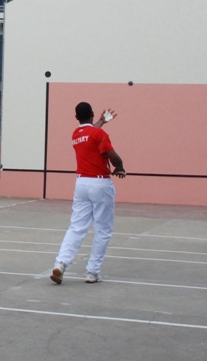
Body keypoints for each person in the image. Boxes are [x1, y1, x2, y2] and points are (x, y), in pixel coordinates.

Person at [51, 103, 125, 285]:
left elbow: (90, 133)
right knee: (102, 229)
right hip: (100, 183)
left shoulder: (76, 134)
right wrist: (120, 167)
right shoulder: (99, 134)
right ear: (92, 113)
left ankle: (61, 263)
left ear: (76, 117)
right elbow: (113, 156)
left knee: (77, 227)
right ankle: (92, 272)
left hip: (81, 184)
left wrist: (101, 121)